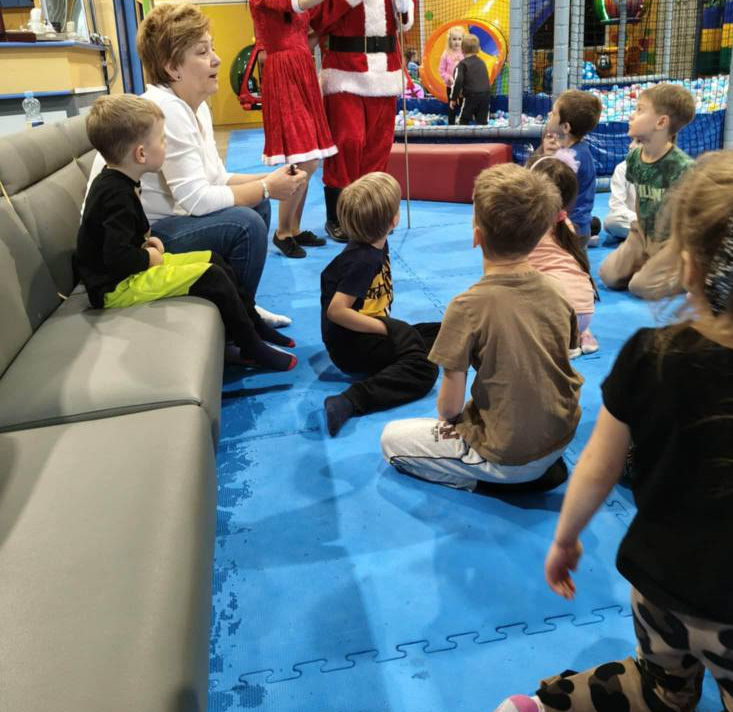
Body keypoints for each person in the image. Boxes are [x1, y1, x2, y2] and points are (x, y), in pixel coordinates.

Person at [453, 142, 733, 712]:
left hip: (657, 592)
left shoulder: (654, 352)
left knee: (659, 686)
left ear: (690, 263)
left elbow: (598, 462)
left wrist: (566, 538)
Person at [85, 3, 307, 328]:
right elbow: (197, 200)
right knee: (246, 222)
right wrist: (266, 187)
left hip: (160, 225)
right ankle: (237, 326)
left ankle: (241, 306)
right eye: (203, 52)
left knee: (256, 203)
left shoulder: (195, 105)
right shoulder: (166, 110)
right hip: (136, 243)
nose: (216, 59)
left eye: (212, 48)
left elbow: (216, 177)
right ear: (173, 68)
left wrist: (272, 180)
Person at [380, 164, 583, 492]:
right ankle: (532, 468)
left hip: (507, 456)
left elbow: (448, 409)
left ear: (477, 236)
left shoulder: (467, 307)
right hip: (560, 439)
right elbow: (563, 361)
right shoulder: (558, 291)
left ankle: (494, 481)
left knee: (391, 439)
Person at [77, 95, 296, 372]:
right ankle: (250, 345)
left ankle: (253, 325)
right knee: (211, 275)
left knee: (214, 260)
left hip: (127, 272)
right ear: (141, 154)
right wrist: (150, 257)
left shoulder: (120, 181)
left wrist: (147, 242)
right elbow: (116, 258)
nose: (166, 146)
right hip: (115, 289)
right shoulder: (115, 194)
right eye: (162, 140)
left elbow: (120, 235)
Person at [304, 0, 417, 243]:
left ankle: (371, 214)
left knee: (378, 144)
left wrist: (405, 7)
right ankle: (339, 216)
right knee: (347, 141)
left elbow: (405, 8)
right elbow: (316, 19)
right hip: (344, 68)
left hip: (384, 68)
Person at [248, 0, 361, 258]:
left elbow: (302, 35)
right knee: (303, 158)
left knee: (310, 156)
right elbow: (297, 2)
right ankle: (282, 232)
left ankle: (294, 228)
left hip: (302, 72)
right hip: (284, 75)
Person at [320, 172, 440, 437]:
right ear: (393, 219)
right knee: (424, 370)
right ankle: (350, 400)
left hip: (370, 332)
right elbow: (336, 311)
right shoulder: (362, 260)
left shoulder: (374, 245)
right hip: (354, 346)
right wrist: (387, 329)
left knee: (442, 330)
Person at [599, 84, 695, 300]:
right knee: (609, 276)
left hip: (671, 241)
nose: (632, 115)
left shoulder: (681, 167)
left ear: (661, 122)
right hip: (642, 233)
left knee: (640, 287)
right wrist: (639, 235)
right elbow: (640, 199)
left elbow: (692, 216)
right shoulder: (635, 158)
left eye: (640, 110)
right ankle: (649, 263)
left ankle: (687, 275)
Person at [528, 153, 599, 355]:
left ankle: (563, 340)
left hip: (556, 315)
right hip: (585, 312)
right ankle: (579, 333)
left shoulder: (528, 227)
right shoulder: (566, 224)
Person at [545, 90, 601, 251]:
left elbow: (546, 190)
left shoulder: (571, 158)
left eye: (554, 113)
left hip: (569, 230)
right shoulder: (577, 150)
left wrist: (546, 157)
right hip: (580, 227)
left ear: (565, 127)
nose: (549, 114)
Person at [449, 34, 491, 125]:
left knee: (463, 120)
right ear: (478, 49)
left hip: (471, 96)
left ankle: (463, 132)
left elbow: (458, 81)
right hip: (485, 95)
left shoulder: (462, 64)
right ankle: (484, 133)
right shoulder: (482, 62)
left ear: (462, 50)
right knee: (482, 121)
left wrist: (453, 98)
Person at [604, 139, 638, 242]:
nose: (631, 146)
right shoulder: (622, 169)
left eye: (639, 141)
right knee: (610, 222)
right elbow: (616, 206)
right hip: (634, 221)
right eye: (632, 141)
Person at [439, 26, 464, 125]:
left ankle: (464, 125)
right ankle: (451, 125)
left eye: (459, 39)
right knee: (451, 106)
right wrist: (447, 77)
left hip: (463, 87)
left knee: (463, 106)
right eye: (454, 39)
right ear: (450, 40)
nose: (457, 42)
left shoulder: (464, 53)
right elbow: (441, 70)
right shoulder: (446, 53)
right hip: (451, 86)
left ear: (463, 40)